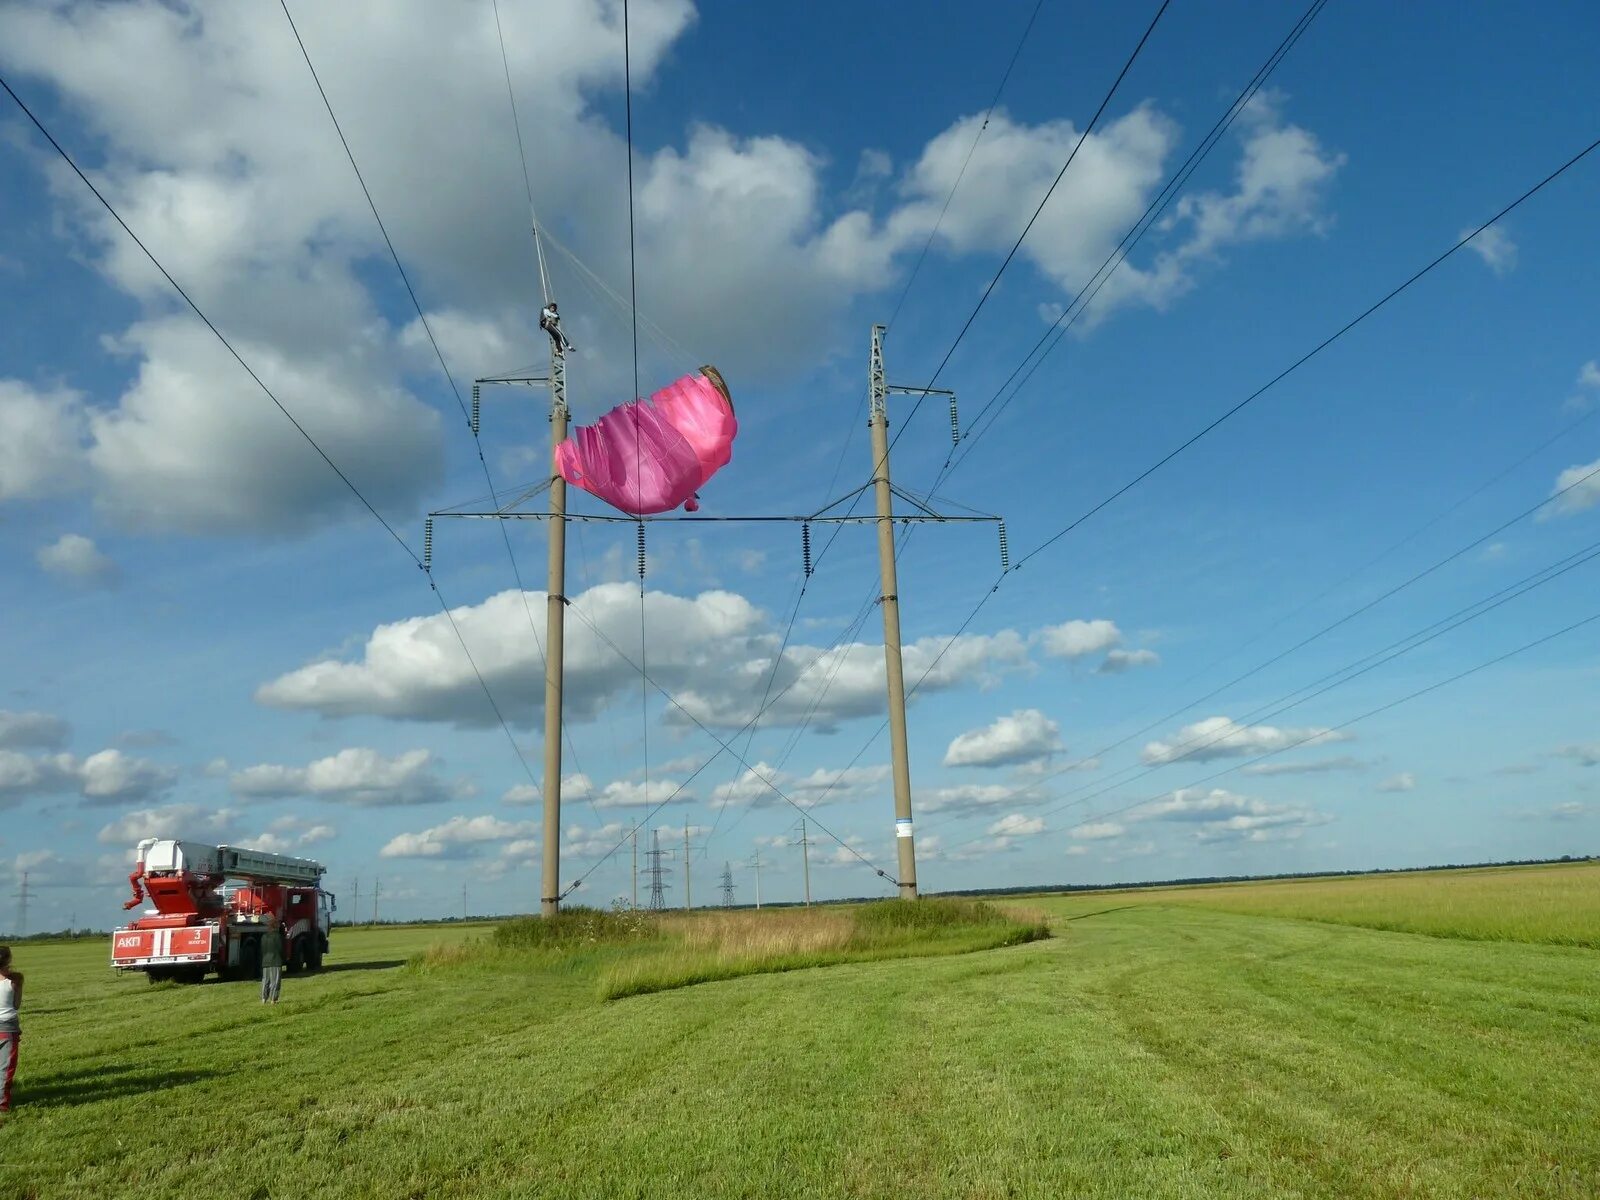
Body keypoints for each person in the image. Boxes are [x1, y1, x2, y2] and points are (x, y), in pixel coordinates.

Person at [0, 945, 20, 1112]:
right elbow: (16, 1005)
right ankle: (2, 1104)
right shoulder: (15, 980)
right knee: (6, 1068)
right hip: (8, 1028)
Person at [259, 926, 284, 1005]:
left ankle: (263, 998)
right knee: (275, 981)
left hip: (265, 961)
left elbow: (262, 949)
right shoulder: (277, 936)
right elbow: (280, 948)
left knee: (265, 980)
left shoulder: (263, 937)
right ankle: (273, 999)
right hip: (275, 960)